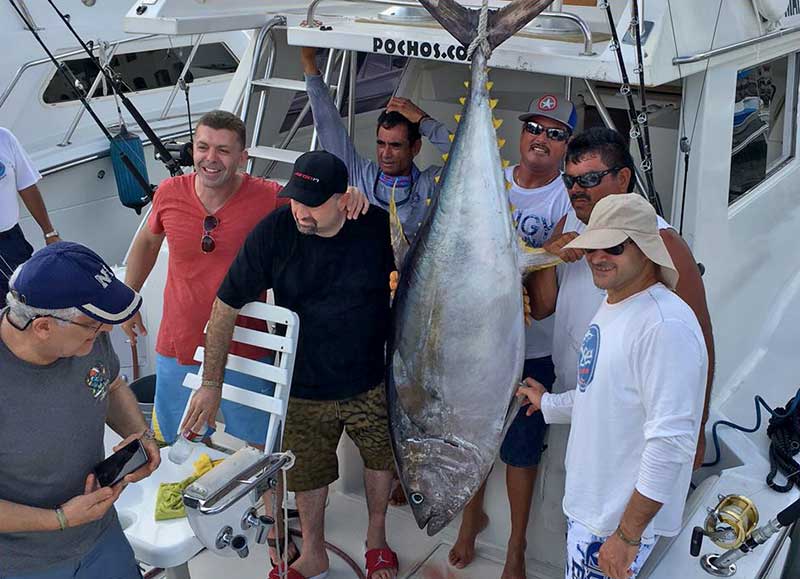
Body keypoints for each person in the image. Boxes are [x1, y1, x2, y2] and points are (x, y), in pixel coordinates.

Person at [121, 110, 367, 567]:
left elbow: (311, 203)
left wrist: (348, 196)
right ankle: (186, 530)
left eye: (222, 150)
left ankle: (275, 530)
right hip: (178, 347)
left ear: (242, 157)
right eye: (202, 147)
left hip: (249, 353)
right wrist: (129, 297)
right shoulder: (169, 194)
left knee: (263, 452)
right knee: (179, 450)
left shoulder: (269, 197)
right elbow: (147, 244)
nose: (210, 158)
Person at [185, 151, 398, 579]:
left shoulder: (375, 226)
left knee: (380, 459)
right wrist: (212, 382)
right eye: (295, 198)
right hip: (302, 384)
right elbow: (226, 306)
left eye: (312, 202)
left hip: (371, 379)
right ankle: (314, 552)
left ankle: (377, 540)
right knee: (307, 471)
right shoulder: (275, 231)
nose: (300, 210)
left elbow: (413, 285)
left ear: (343, 199)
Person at [518, 193, 708, 579]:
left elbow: (671, 442)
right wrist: (549, 403)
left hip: (615, 527)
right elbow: (600, 392)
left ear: (647, 249)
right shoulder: (614, 304)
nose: (598, 256)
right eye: (591, 247)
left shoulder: (664, 326)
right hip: (592, 514)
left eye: (614, 246)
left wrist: (627, 534)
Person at [527, 127, 715, 467]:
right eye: (569, 181)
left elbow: (699, 337)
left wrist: (697, 429)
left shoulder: (661, 240)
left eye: (589, 179)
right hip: (567, 408)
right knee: (565, 514)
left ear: (623, 177)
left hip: (628, 423)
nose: (576, 191)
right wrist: (546, 257)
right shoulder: (566, 224)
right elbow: (541, 309)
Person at [448, 94, 576, 579]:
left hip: (535, 347)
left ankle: (517, 546)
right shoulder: (488, 179)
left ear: (566, 147)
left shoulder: (567, 199)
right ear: (520, 134)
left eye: (555, 133)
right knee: (471, 433)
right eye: (535, 128)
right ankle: (470, 519)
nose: (541, 139)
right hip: (474, 339)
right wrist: (538, 252)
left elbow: (543, 303)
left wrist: (536, 258)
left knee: (520, 450)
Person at [0, 241, 160, 579]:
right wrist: (60, 519)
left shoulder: (88, 337)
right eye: (94, 326)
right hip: (24, 564)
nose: (107, 331)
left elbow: (112, 385)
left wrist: (141, 434)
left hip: (103, 537)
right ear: (43, 327)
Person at [301, 47, 451, 240]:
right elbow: (327, 124)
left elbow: (472, 163)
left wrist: (424, 122)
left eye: (396, 145)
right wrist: (309, 62)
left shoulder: (430, 183)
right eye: (381, 144)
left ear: (415, 148)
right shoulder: (360, 172)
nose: (386, 154)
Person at [0, 127, 61, 306]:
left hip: (12, 241)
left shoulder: (4, 138)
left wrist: (49, 232)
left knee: (31, 303)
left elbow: (27, 186)